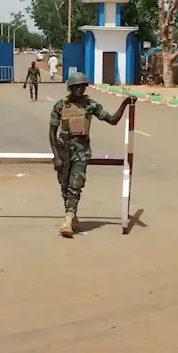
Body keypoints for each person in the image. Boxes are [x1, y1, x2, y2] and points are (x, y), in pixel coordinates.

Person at [49, 72, 134, 238]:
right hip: (64, 148)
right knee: (64, 185)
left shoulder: (90, 105)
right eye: (76, 87)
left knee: (76, 184)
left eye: (83, 86)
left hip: (81, 148)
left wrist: (124, 104)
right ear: (71, 88)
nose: (80, 90)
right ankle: (71, 214)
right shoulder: (60, 106)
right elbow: (51, 133)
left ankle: (68, 219)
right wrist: (56, 156)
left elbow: (112, 120)